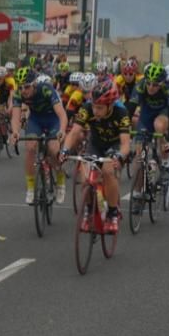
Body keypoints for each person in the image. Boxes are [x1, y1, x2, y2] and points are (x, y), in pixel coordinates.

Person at [61, 79, 131, 233]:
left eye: (99, 108)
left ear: (110, 105)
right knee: (85, 177)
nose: (95, 111)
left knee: (107, 171)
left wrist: (119, 156)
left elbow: (126, 143)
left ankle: (113, 212)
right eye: (93, 106)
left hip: (114, 146)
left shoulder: (121, 113)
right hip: (96, 144)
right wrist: (65, 150)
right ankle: (89, 209)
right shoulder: (87, 108)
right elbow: (74, 132)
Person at [10, 67, 69, 205]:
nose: (23, 90)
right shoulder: (19, 94)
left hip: (53, 120)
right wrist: (15, 132)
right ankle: (30, 188)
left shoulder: (46, 89)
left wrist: (62, 130)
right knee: (30, 148)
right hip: (36, 120)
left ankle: (60, 179)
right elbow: (15, 117)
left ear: (34, 83)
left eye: (27, 87)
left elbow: (62, 114)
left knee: (54, 150)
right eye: (21, 87)